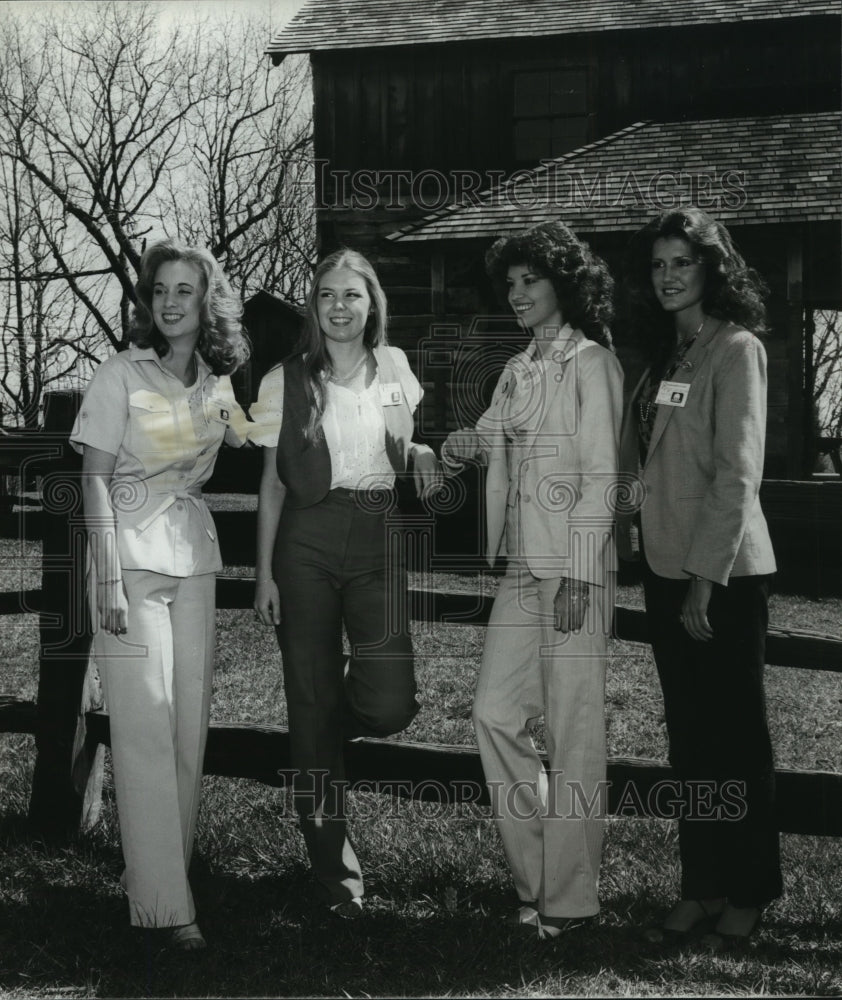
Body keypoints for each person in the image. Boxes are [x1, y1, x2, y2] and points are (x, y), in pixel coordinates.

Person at [441, 222, 623, 939]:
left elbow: (603, 476)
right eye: (510, 283)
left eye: (530, 281)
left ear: (563, 286)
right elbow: (486, 439)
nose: (517, 293)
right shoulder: (520, 367)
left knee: (575, 731)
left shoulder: (592, 365)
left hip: (574, 571)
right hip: (521, 569)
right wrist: (446, 446)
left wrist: (579, 570)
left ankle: (570, 902)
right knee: (493, 714)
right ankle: (537, 878)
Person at [251, 248, 442, 917]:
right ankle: (336, 876)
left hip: (378, 533)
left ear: (372, 304)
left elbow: (402, 439)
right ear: (314, 305)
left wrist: (420, 453)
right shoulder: (287, 379)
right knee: (308, 704)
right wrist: (263, 574)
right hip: (305, 538)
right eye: (326, 294)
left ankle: (324, 724)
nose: (338, 306)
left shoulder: (393, 369)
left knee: (390, 704)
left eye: (351, 295)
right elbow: (273, 483)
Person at [70, 240, 250, 949]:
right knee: (143, 726)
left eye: (187, 291)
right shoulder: (120, 373)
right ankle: (166, 912)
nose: (172, 303)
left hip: (193, 558)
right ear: (147, 301)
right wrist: (107, 576)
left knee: (186, 729)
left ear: (207, 304)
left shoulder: (217, 383)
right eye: (162, 290)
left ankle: (158, 879)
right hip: (128, 562)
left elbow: (274, 438)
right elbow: (92, 479)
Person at [618, 207, 781, 948]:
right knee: (690, 740)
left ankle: (748, 892)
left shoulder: (735, 349)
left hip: (721, 578)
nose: (668, 277)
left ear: (712, 267)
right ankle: (703, 886)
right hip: (663, 570)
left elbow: (737, 476)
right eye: (657, 265)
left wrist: (704, 582)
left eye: (681, 262)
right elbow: (646, 461)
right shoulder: (661, 353)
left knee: (737, 739)